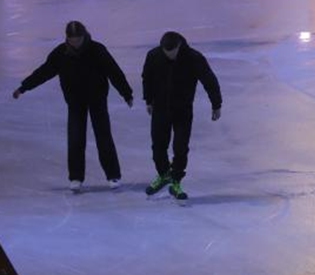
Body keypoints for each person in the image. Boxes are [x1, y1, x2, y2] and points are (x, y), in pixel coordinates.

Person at [12, 21, 135, 192]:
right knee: (76, 139)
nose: (75, 42)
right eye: (72, 40)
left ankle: (113, 175)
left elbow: (114, 71)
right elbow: (44, 72)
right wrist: (24, 87)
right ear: (67, 38)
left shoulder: (97, 50)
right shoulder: (60, 53)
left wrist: (126, 93)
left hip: (97, 100)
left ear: (84, 36)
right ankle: (76, 177)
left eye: (78, 39)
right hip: (75, 102)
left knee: (103, 136)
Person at [141, 31, 222, 201]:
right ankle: (163, 174)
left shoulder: (193, 58)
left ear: (179, 46)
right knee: (158, 146)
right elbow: (147, 78)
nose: (169, 56)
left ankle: (176, 180)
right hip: (160, 109)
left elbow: (209, 80)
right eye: (166, 52)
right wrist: (148, 99)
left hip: (183, 111)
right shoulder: (154, 55)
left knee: (180, 147)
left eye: (172, 52)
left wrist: (216, 104)